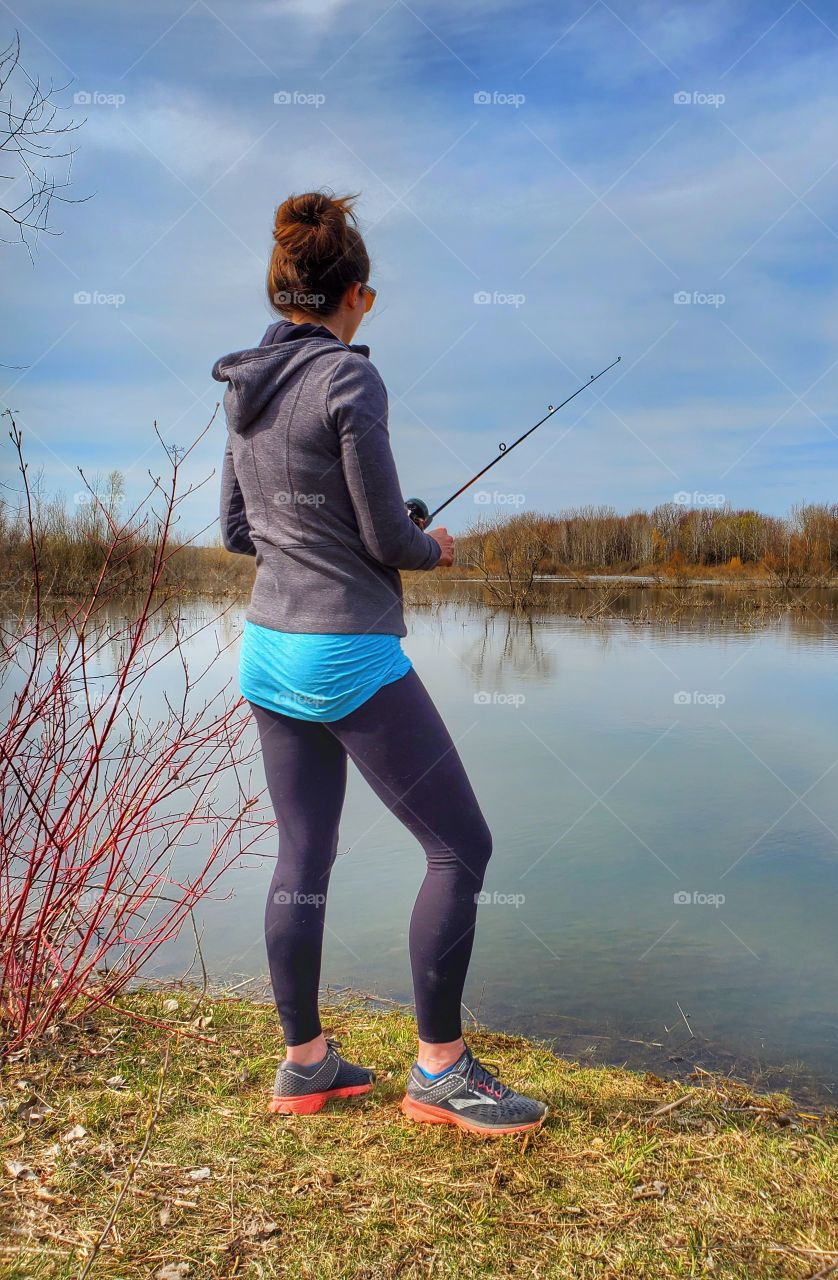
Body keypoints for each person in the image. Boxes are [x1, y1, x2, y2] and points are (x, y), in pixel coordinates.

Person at [212, 189, 547, 1136]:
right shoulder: (352, 382)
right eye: (372, 297)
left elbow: (238, 530)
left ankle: (305, 1064)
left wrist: (328, 536)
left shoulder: (244, 386)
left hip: (267, 651)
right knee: (461, 848)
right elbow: (390, 541)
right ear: (353, 293)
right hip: (344, 652)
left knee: (302, 854)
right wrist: (431, 546)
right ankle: (440, 1072)